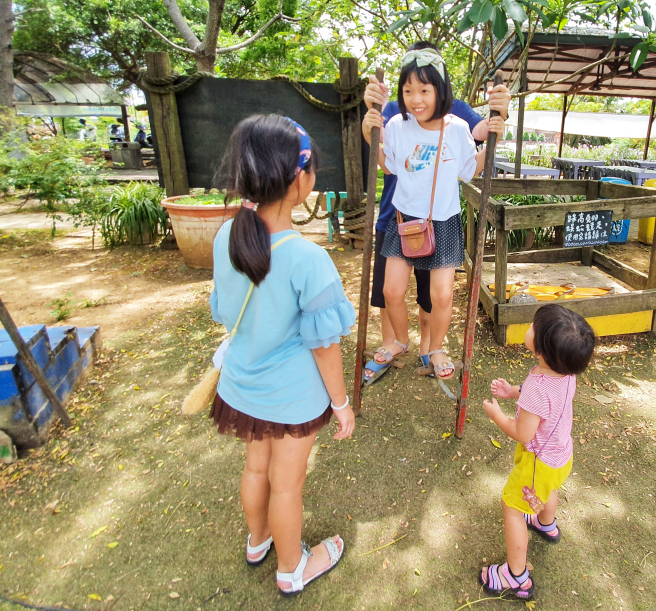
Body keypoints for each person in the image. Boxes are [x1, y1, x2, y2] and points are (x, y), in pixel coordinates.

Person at [209, 114, 356, 597]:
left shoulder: (223, 238)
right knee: (286, 484)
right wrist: (340, 402)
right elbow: (324, 344)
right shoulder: (308, 258)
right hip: (292, 400)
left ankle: (258, 542)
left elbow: (221, 309)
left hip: (241, 388)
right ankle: (293, 567)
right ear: (300, 178)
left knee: (256, 468)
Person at [360, 42, 507, 384]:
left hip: (443, 222)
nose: (416, 98)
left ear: (440, 90)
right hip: (403, 222)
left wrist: (497, 137)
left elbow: (471, 170)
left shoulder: (456, 128)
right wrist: (371, 135)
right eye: (408, 90)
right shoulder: (396, 124)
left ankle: (437, 347)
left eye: (424, 90)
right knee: (392, 291)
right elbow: (387, 164)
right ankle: (399, 340)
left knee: (441, 295)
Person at [480, 304, 596, 600]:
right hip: (561, 456)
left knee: (513, 508)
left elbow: (522, 433)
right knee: (548, 489)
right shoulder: (567, 374)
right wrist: (514, 391)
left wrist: (498, 416)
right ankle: (546, 524)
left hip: (537, 464)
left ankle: (515, 576)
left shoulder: (537, 387)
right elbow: (545, 399)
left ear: (542, 350)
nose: (529, 327)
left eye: (534, 326)